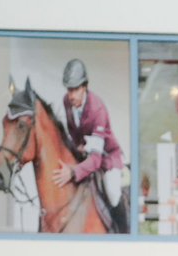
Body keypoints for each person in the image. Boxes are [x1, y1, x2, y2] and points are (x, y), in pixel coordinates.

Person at [53, 59, 126, 221]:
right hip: (86, 150)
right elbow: (73, 130)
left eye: (76, 89)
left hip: (106, 157)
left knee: (113, 194)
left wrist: (73, 172)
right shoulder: (67, 101)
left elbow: (95, 160)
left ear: (85, 86)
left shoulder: (97, 109)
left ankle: (122, 228)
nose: (71, 95)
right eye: (69, 90)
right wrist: (77, 148)